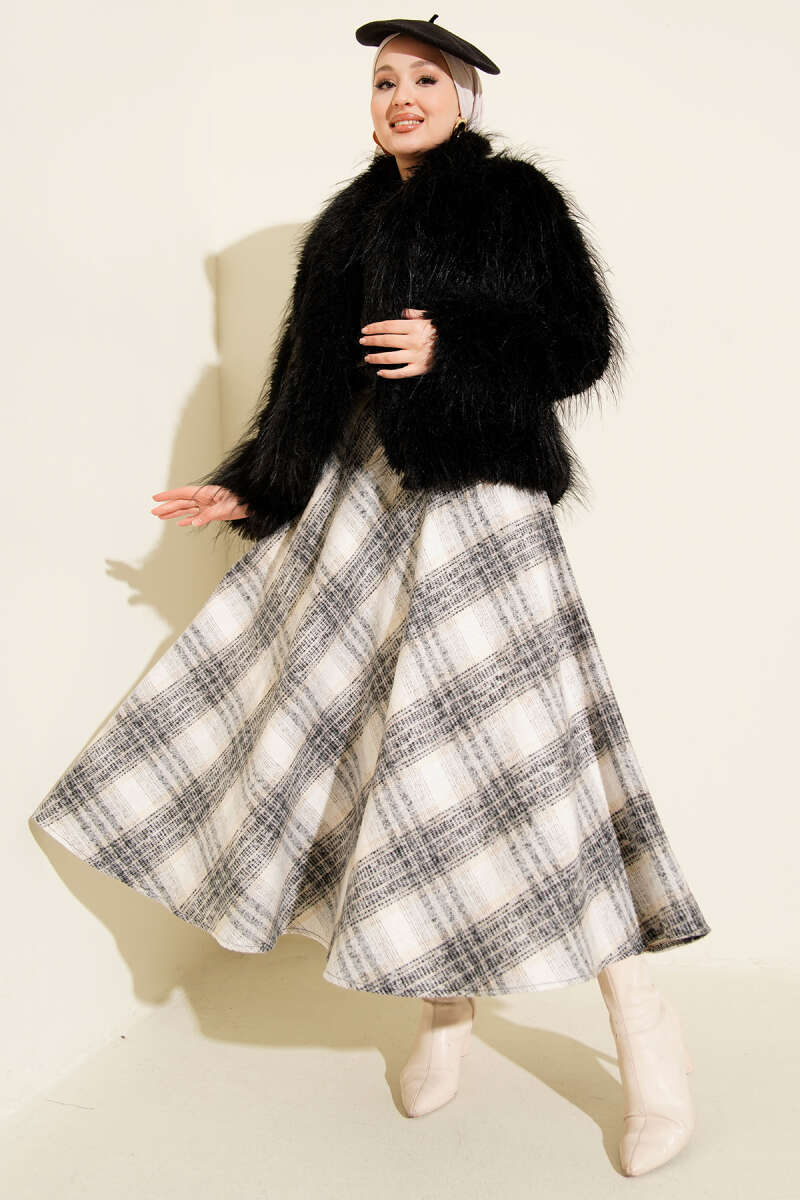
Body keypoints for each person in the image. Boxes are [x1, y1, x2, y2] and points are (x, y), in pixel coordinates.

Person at [30, 15, 710, 1179]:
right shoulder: (345, 225)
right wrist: (247, 488)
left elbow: (579, 349)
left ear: (464, 98)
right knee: (398, 760)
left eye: (424, 80)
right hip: (364, 512)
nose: (400, 97)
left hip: (482, 504)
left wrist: (456, 352)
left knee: (539, 764)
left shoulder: (514, 202)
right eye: (385, 80)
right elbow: (304, 388)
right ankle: (442, 1007)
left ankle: (646, 1036)